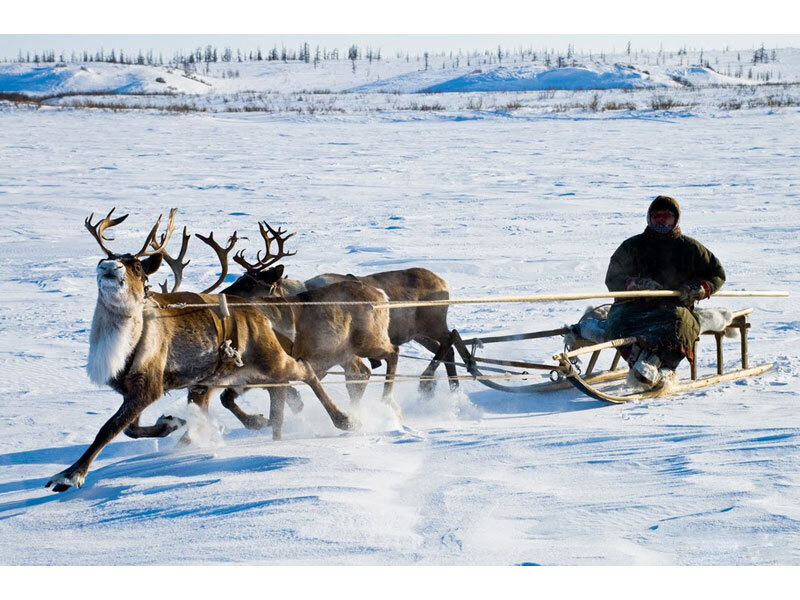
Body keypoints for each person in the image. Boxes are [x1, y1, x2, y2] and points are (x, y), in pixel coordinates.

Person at [604, 195, 726, 389]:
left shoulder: (690, 248)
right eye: (656, 216)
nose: (661, 220)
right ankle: (638, 359)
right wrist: (634, 284)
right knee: (615, 324)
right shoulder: (632, 246)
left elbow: (717, 274)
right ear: (649, 218)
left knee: (679, 324)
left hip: (673, 307)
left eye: (666, 216)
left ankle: (665, 368)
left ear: (675, 218)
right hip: (632, 307)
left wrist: (699, 288)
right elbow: (613, 277)